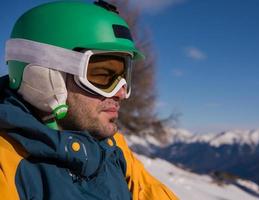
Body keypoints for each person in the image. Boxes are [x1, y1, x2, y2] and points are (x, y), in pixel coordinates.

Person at [0, 1, 178, 199]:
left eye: (123, 77)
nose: (120, 93)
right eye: (102, 75)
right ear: (44, 77)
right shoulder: (7, 166)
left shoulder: (113, 147)